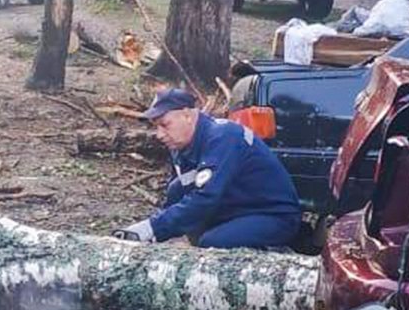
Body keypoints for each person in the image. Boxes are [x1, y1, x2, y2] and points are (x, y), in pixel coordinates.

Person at [113, 88, 301, 249]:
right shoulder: (180, 146)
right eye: (156, 127)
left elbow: (205, 198)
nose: (159, 135)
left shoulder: (223, 136)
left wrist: (150, 228)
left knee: (212, 243)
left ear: (187, 115)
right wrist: (152, 236)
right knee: (177, 190)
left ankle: (274, 260)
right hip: (233, 210)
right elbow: (178, 195)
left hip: (272, 215)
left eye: (164, 125)